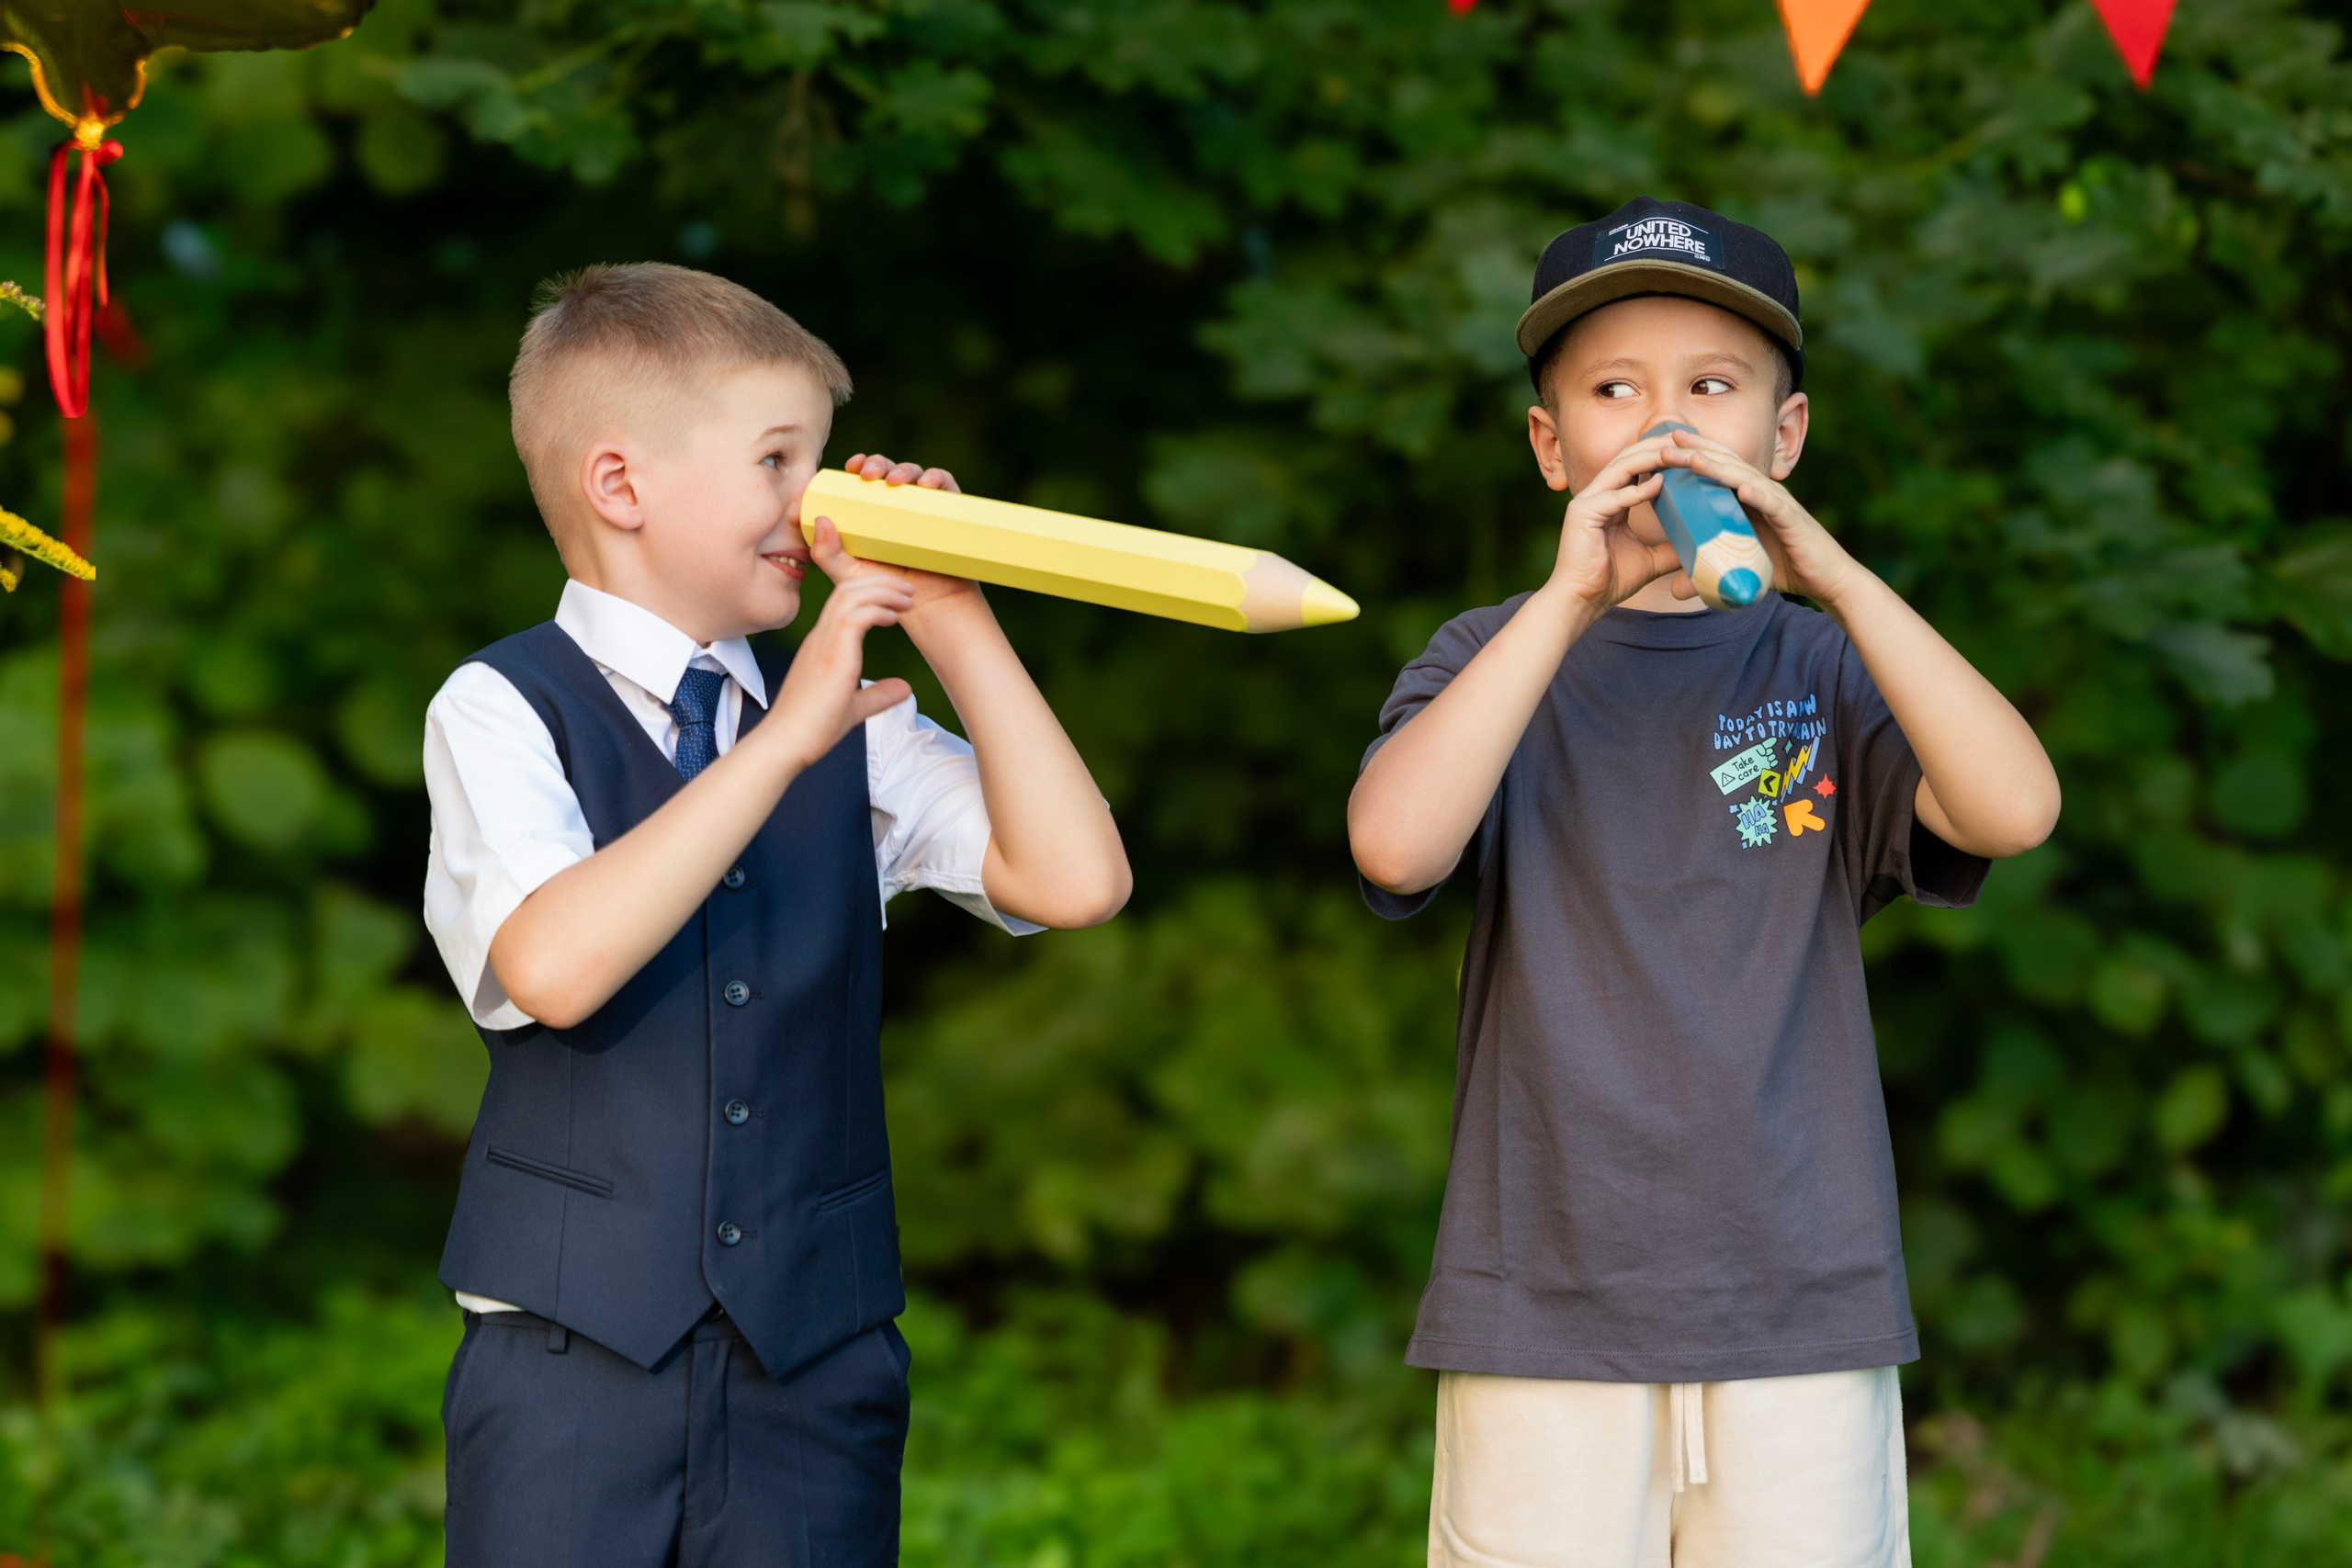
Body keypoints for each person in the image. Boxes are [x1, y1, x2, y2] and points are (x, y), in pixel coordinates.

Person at [1347, 197, 2061, 1567]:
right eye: (1615, 390)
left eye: (1712, 388)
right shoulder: (1493, 654)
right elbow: (1396, 844)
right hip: (1544, 1305)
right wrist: (1566, 606)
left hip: (1801, 1303)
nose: (1666, 424)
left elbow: (2016, 808)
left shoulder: (1825, 665)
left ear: (1782, 440)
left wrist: (1837, 581)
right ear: (1555, 448)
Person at [420, 262, 1130, 1567]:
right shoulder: (500, 707)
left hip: (814, 1363)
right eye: (777, 460)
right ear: (620, 485)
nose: (818, 504)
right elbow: (556, 966)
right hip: (569, 1363)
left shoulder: (855, 719)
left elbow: (1076, 881)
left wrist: (956, 615)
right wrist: (782, 741)